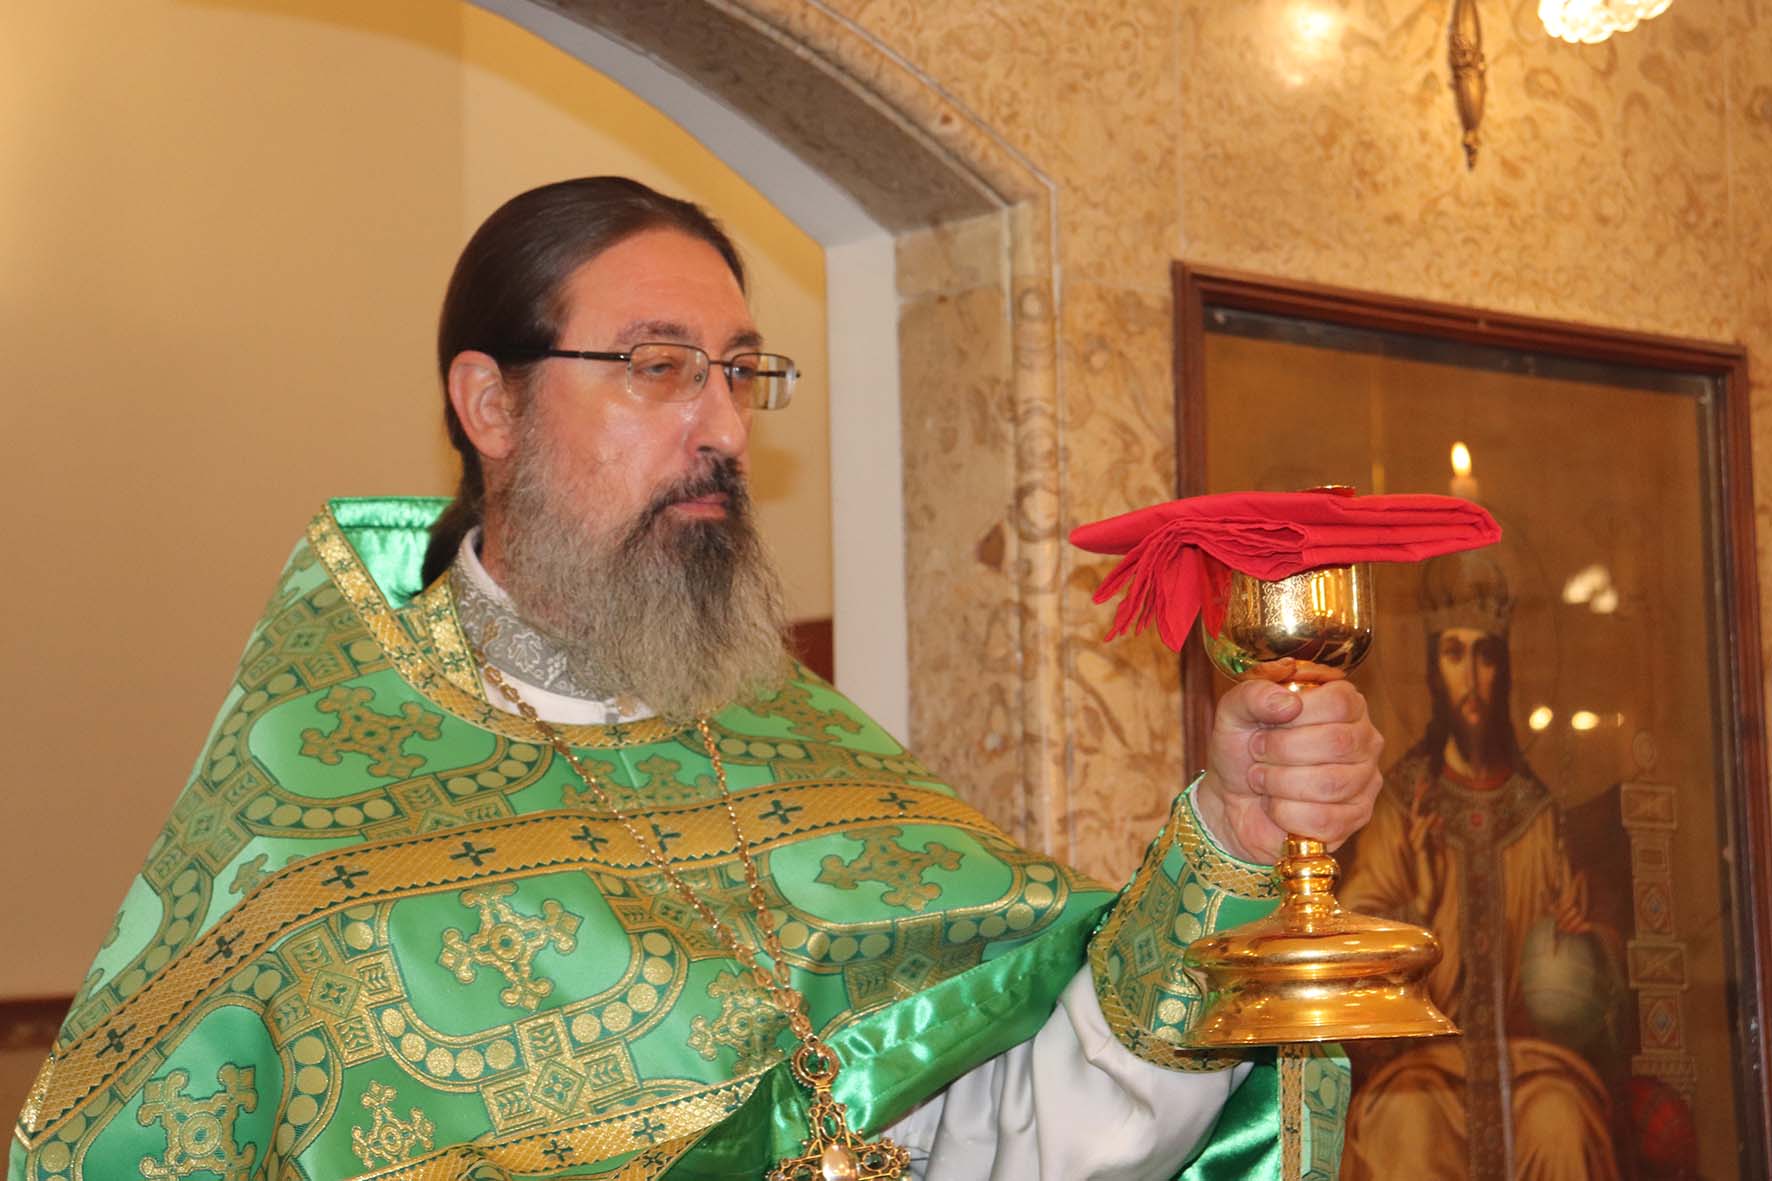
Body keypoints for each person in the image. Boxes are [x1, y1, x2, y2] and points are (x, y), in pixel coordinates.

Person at [9, 178, 1385, 1181]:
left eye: (738, 370)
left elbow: (1014, 1133)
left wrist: (1226, 840)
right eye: (659, 367)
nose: (723, 424)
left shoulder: (807, 747)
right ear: (489, 405)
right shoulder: (309, 827)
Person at [1337, 552, 1622, 1181]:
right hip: (1423, 1068)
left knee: (1563, 1124)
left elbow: (1581, 987)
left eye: (1485, 656)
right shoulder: (1402, 806)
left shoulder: (1536, 817)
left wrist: (1580, 940)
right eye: (1453, 653)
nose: (1470, 676)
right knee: (1404, 1130)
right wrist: (1419, 905)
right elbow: (1352, 951)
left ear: (1505, 670)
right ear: (1433, 669)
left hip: (1528, 1066)